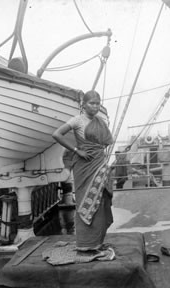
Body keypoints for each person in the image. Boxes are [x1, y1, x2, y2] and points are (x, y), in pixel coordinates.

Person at [52, 90, 114, 253]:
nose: (95, 106)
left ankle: (97, 242)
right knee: (84, 201)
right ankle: (85, 243)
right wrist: (76, 150)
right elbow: (56, 134)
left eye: (97, 103)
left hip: (99, 163)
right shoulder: (77, 120)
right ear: (83, 105)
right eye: (92, 103)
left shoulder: (100, 121)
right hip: (84, 165)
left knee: (99, 200)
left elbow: (105, 142)